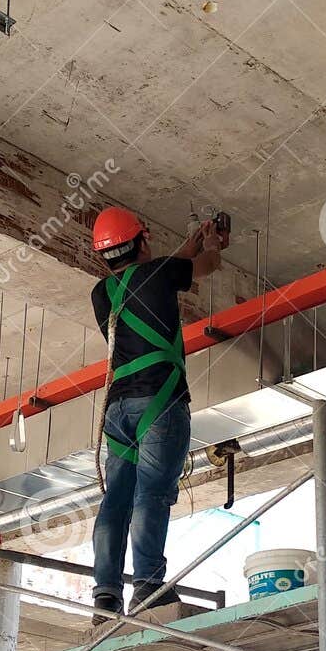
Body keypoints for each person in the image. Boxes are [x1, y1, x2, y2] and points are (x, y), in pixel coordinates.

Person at [89, 206, 226, 617]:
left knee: (117, 499)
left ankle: (106, 593)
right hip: (159, 403)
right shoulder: (163, 274)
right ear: (144, 239)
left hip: (119, 411)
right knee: (151, 493)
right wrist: (214, 242)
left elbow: (174, 263)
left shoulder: (101, 293)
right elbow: (208, 266)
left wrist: (193, 239)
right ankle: (148, 585)